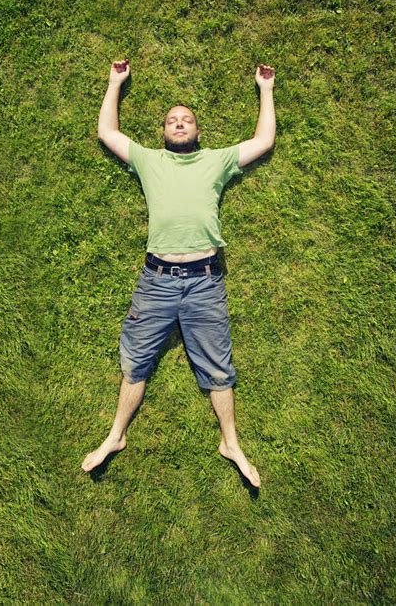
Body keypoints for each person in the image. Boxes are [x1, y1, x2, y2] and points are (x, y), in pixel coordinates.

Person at [81, 59, 276, 489]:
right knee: (136, 360)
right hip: (157, 281)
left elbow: (263, 140)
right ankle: (115, 436)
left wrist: (266, 89)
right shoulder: (149, 162)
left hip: (206, 282)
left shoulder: (217, 161)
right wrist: (115, 82)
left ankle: (231, 442)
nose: (180, 123)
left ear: (198, 132)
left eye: (187, 119)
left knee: (218, 367)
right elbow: (108, 134)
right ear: (164, 133)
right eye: (172, 120)